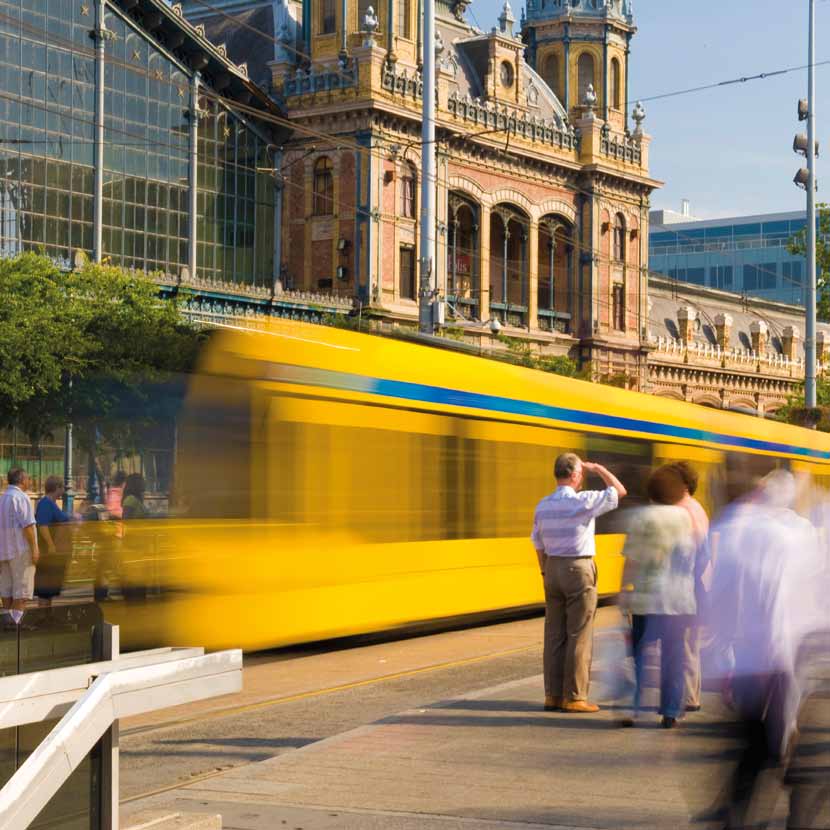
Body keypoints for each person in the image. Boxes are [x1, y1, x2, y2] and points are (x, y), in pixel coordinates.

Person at [703, 469, 820, 828]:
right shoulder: (799, 533)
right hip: (789, 655)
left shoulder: (741, 527)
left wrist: (718, 651)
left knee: (757, 740)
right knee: (774, 739)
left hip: (755, 657)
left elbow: (722, 597)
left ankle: (739, 809)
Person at [531, 452, 626, 713]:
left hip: (551, 568)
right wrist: (598, 468)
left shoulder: (542, 505)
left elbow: (537, 543)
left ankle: (552, 696)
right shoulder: (583, 501)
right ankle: (575, 697)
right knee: (579, 635)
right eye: (581, 474)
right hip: (578, 568)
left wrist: (544, 572)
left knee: (554, 636)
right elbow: (619, 491)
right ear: (574, 475)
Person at [619, 465, 697, 728]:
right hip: (678, 599)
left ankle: (635, 708)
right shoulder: (684, 517)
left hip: (647, 598)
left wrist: (623, 591)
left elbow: (632, 559)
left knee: (641, 654)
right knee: (674, 657)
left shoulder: (643, 517)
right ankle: (671, 712)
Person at [670, 461, 710, 713]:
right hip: (697, 584)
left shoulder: (682, 510)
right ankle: (691, 694)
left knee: (681, 642)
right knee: (691, 644)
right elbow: (704, 554)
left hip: (684, 584)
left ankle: (685, 697)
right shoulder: (699, 508)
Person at [0, 468, 39, 624]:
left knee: (6, 590)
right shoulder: (21, 498)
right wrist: (35, 548)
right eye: (28, 478)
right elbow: (28, 525)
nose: (29, 481)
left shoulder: (2, 499)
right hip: (20, 550)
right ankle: (16, 627)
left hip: (4, 551)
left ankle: (7, 625)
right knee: (21, 592)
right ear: (22, 480)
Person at [34, 476, 73, 605]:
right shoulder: (46, 503)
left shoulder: (51, 503)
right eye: (62, 488)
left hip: (55, 554)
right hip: (49, 554)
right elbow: (43, 526)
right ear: (57, 488)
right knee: (45, 590)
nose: (64, 491)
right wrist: (51, 546)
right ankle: (43, 617)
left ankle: (47, 616)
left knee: (49, 589)